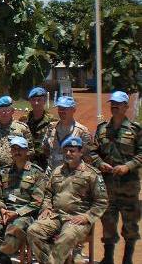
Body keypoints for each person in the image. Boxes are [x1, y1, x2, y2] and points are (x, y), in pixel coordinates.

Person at [27, 136, 108, 264]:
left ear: (81, 152)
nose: (68, 153)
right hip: (56, 216)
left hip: (77, 219)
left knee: (67, 236)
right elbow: (48, 193)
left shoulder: (92, 174)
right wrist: (46, 207)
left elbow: (101, 202)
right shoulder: (57, 171)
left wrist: (87, 217)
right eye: (66, 151)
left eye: (72, 151)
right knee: (33, 230)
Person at [91, 91, 142, 264]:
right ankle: (108, 258)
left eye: (119, 103)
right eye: (112, 103)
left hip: (129, 186)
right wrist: (100, 163)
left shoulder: (135, 130)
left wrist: (128, 166)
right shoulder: (102, 129)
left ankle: (127, 258)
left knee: (130, 224)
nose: (114, 106)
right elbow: (93, 152)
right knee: (108, 222)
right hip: (108, 186)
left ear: (126, 106)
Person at [0, 136, 46, 264]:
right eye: (14, 149)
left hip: (24, 214)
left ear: (27, 151)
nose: (17, 152)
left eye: (20, 149)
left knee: (15, 228)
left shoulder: (36, 173)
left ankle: (2, 257)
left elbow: (38, 202)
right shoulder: (4, 171)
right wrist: (2, 209)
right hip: (5, 211)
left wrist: (17, 213)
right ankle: (3, 258)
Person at [42, 95, 93, 171]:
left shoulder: (82, 131)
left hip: (72, 174)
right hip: (52, 172)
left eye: (65, 109)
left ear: (73, 110)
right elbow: (45, 148)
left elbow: (87, 157)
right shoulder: (51, 128)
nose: (61, 111)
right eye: (60, 108)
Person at [0, 96, 33, 170]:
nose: (4, 113)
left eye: (7, 110)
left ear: (13, 111)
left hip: (14, 171)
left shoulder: (22, 128)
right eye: (1, 110)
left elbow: (30, 151)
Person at [24, 87, 55, 169]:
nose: (36, 103)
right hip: (28, 162)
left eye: (39, 100)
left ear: (44, 101)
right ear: (30, 101)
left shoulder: (53, 121)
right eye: (33, 100)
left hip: (46, 163)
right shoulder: (24, 120)